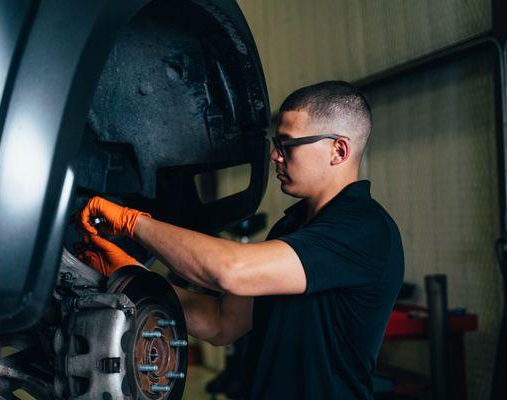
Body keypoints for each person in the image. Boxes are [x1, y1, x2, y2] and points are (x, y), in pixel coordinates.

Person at [77, 81, 404, 399]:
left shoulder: (365, 229)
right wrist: (130, 274)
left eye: (287, 145)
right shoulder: (291, 228)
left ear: (339, 150)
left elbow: (229, 270)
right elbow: (220, 322)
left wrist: (134, 222)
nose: (276, 156)